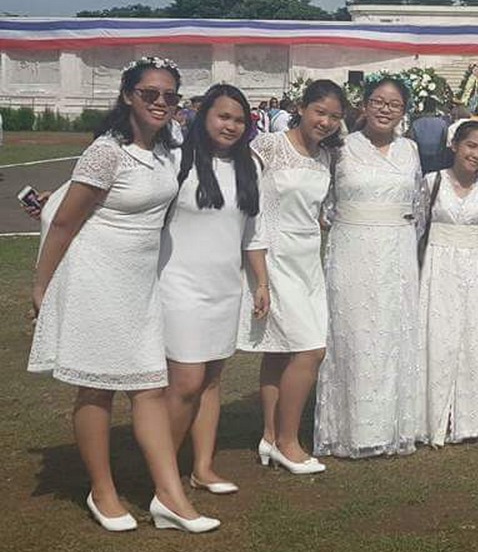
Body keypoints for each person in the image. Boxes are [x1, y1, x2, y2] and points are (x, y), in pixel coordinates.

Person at [28, 56, 219, 533]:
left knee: (150, 386)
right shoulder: (106, 151)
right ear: (128, 96)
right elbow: (65, 222)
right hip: (96, 275)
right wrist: (41, 286)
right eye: (149, 93)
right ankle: (102, 492)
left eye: (169, 96)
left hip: (140, 282)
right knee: (97, 386)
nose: (160, 102)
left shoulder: (168, 148)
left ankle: (170, 498)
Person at [159, 84, 269, 497]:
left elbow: (253, 232)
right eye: (223, 116)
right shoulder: (177, 160)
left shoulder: (249, 166)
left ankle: (202, 467)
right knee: (186, 381)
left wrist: (261, 283)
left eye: (239, 120)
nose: (231, 126)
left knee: (210, 381)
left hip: (225, 287)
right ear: (203, 115)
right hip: (179, 285)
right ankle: (164, 473)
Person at [314, 74, 425, 458]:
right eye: (378, 101)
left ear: (404, 111)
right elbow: (323, 202)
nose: (385, 110)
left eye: (394, 104)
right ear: (364, 105)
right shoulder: (341, 147)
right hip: (352, 250)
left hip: (397, 252)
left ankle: (391, 426)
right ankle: (351, 430)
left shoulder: (410, 150)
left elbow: (418, 206)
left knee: (392, 334)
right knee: (354, 334)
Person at [239, 79, 346, 475]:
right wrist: (260, 278)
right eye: (320, 112)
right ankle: (288, 441)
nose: (326, 122)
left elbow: (315, 210)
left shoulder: (325, 157)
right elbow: (247, 204)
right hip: (274, 255)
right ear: (301, 108)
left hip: (308, 261)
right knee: (310, 350)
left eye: (335, 116)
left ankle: (269, 437)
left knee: (281, 350)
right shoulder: (268, 145)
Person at [419, 120, 478, 446]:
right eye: (471, 146)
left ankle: (467, 417)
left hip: (474, 269)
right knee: (437, 335)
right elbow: (417, 227)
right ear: (454, 145)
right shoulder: (431, 182)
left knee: (470, 336)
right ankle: (430, 413)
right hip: (437, 266)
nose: (476, 154)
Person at [411, 100, 449, 173]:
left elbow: (412, 140)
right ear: (435, 108)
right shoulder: (442, 123)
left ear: (424, 108)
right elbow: (444, 140)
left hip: (420, 157)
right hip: (437, 157)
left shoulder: (416, 123)